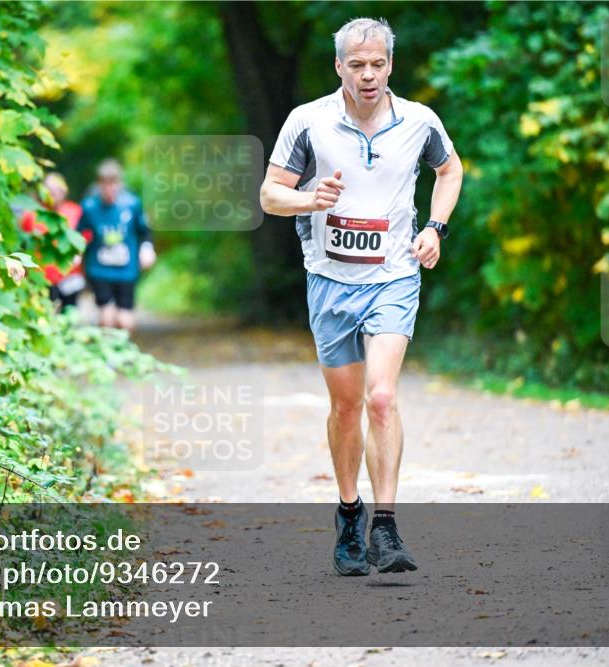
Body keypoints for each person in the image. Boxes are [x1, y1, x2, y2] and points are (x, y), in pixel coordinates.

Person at [260, 18, 464, 575]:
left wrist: (436, 228)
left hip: (394, 276)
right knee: (347, 407)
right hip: (329, 279)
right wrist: (309, 200)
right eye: (357, 65)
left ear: (390, 65)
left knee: (381, 397)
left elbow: (450, 171)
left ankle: (386, 526)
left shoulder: (419, 121)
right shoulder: (308, 121)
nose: (368, 75)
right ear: (339, 67)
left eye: (377, 64)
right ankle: (349, 512)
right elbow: (270, 194)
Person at [77, 159, 156, 331]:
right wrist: (77, 252)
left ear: (120, 183)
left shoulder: (132, 204)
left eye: (113, 183)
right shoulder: (89, 206)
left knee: (125, 320)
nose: (109, 189)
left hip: (126, 270)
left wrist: (147, 249)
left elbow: (145, 231)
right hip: (99, 269)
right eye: (105, 184)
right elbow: (79, 233)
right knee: (107, 316)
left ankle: (123, 345)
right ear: (99, 184)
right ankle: (107, 346)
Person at [20, 172, 85, 311]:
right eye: (50, 189)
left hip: (70, 276)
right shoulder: (32, 215)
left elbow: (85, 239)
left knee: (69, 314)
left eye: (57, 189)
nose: (54, 194)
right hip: (41, 277)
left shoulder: (75, 211)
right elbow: (24, 246)